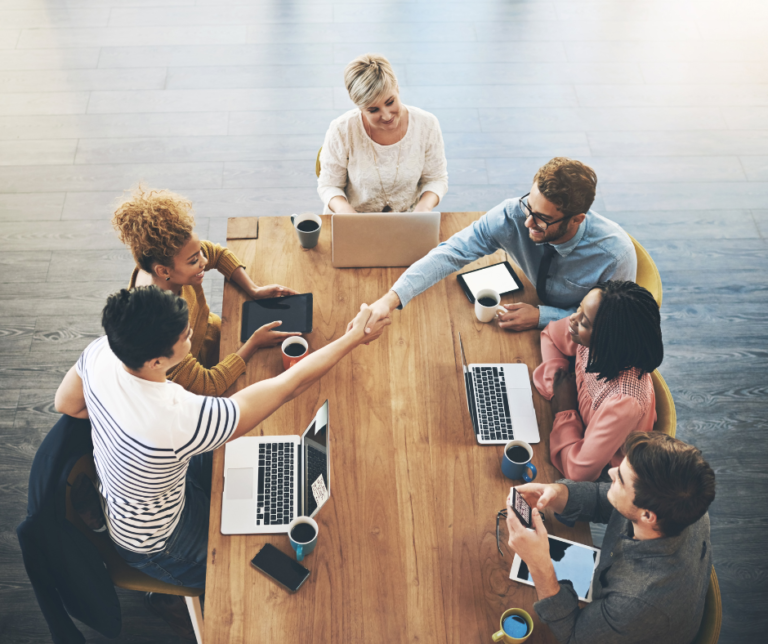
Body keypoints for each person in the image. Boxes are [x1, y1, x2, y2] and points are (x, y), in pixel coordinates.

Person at [54, 287, 387, 593]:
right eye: (186, 336)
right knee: (244, 580)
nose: (191, 337)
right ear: (157, 362)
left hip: (141, 495)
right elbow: (289, 386)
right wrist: (353, 338)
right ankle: (168, 602)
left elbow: (65, 403)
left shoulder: (101, 351)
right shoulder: (176, 417)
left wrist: (118, 422)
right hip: (158, 540)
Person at [363, 157, 636, 335]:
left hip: (573, 336)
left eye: (542, 219)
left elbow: (612, 324)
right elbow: (452, 252)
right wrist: (391, 299)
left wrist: (542, 316)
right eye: (529, 205)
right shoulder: (513, 214)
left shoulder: (614, 256)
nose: (528, 223)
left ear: (577, 219)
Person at [505, 431, 716, 644]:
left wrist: (539, 566)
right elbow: (606, 500)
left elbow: (574, 637)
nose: (612, 471)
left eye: (621, 480)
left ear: (647, 516)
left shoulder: (635, 602)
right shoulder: (683, 505)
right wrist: (556, 493)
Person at [113, 185, 298, 396]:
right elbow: (208, 386)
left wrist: (254, 290)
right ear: (163, 270)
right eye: (194, 261)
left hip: (217, 335)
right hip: (198, 377)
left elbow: (217, 254)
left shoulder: (170, 261)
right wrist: (254, 343)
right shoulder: (158, 330)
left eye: (199, 251)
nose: (204, 261)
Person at [533, 281, 663, 481]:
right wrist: (557, 388)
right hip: (579, 433)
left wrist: (565, 409)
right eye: (579, 308)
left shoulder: (623, 401)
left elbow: (578, 472)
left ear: (609, 339)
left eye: (584, 322)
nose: (573, 319)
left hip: (607, 472)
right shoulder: (591, 339)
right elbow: (551, 335)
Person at [317, 53, 448, 214]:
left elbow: (436, 179)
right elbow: (329, 185)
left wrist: (424, 207)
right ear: (359, 107)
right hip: (354, 218)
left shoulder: (427, 125)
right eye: (373, 110)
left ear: (397, 88)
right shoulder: (341, 130)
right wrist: (347, 213)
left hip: (408, 219)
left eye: (390, 102)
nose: (386, 116)